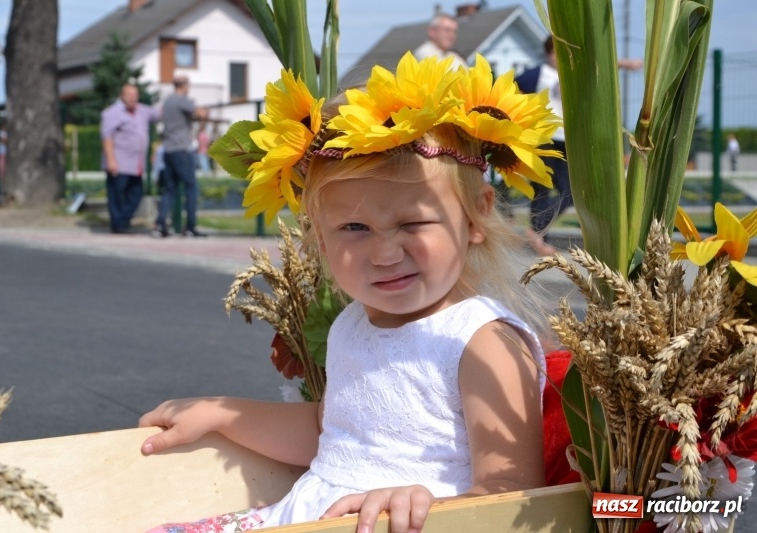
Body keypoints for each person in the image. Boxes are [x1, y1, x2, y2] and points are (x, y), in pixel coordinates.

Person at [140, 54, 555, 533]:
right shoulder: (351, 323)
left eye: (412, 223)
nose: (383, 253)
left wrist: (421, 501)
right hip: (307, 517)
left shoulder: (482, 341)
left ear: (475, 216)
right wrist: (222, 414)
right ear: (318, 233)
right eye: (354, 227)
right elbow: (330, 432)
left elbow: (514, 495)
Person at [516, 36, 642, 256]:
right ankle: (539, 236)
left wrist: (626, 64)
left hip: (565, 140)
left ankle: (537, 233)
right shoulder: (537, 76)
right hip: (544, 138)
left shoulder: (569, 74)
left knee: (566, 190)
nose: (561, 58)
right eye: (557, 53)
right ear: (548, 53)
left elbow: (598, 62)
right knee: (549, 190)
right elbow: (513, 89)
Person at [152, 75, 209, 238]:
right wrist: (202, 112)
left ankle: (160, 224)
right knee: (191, 187)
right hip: (181, 149)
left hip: (168, 149)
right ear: (184, 86)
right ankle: (190, 226)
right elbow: (199, 112)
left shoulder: (168, 101)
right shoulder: (182, 100)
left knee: (170, 189)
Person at [100, 82, 161, 234]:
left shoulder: (142, 110)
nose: (133, 98)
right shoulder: (111, 113)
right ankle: (118, 225)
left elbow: (159, 113)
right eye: (129, 95)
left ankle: (123, 220)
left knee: (136, 194)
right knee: (116, 195)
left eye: (135, 95)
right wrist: (111, 160)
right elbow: (107, 138)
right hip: (119, 162)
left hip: (135, 164)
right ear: (122, 95)